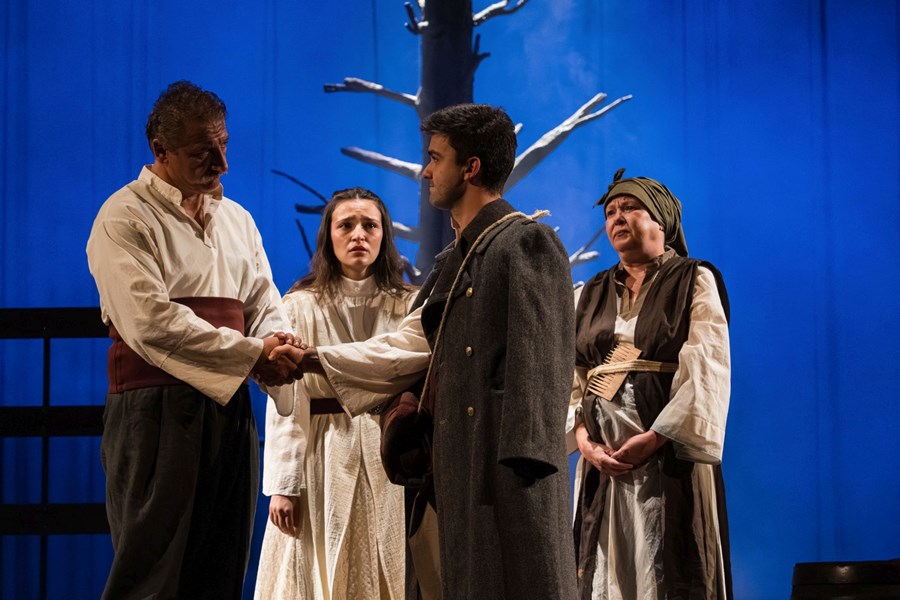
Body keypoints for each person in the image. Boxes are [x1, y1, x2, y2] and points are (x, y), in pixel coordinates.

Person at [274, 103, 578, 600]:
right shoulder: (455, 260)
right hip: (455, 470)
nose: (425, 171)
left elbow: (541, 376)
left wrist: (521, 481)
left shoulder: (525, 243)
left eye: (436, 158)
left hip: (503, 476)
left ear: (471, 167)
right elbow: (406, 347)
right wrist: (313, 360)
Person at [86, 80, 299, 599]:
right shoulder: (125, 215)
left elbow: (262, 299)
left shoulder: (236, 219)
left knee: (221, 570)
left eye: (224, 144)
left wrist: (274, 344)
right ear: (160, 150)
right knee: (152, 576)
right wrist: (252, 353)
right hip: (156, 411)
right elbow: (150, 321)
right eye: (203, 151)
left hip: (229, 409)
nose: (222, 163)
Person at [568, 168, 732, 599]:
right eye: (610, 212)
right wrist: (585, 442)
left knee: (667, 566)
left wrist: (656, 438)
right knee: (604, 573)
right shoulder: (589, 294)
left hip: (665, 458)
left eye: (630, 208)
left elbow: (707, 367)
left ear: (661, 221)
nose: (617, 218)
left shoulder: (693, 280)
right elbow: (573, 381)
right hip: (603, 465)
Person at [253, 187, 417, 599]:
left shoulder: (409, 305)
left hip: (389, 449)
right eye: (346, 225)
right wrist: (284, 484)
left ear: (384, 235)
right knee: (314, 563)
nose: (358, 234)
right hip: (321, 450)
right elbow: (286, 401)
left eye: (370, 225)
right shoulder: (300, 305)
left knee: (386, 563)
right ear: (329, 235)